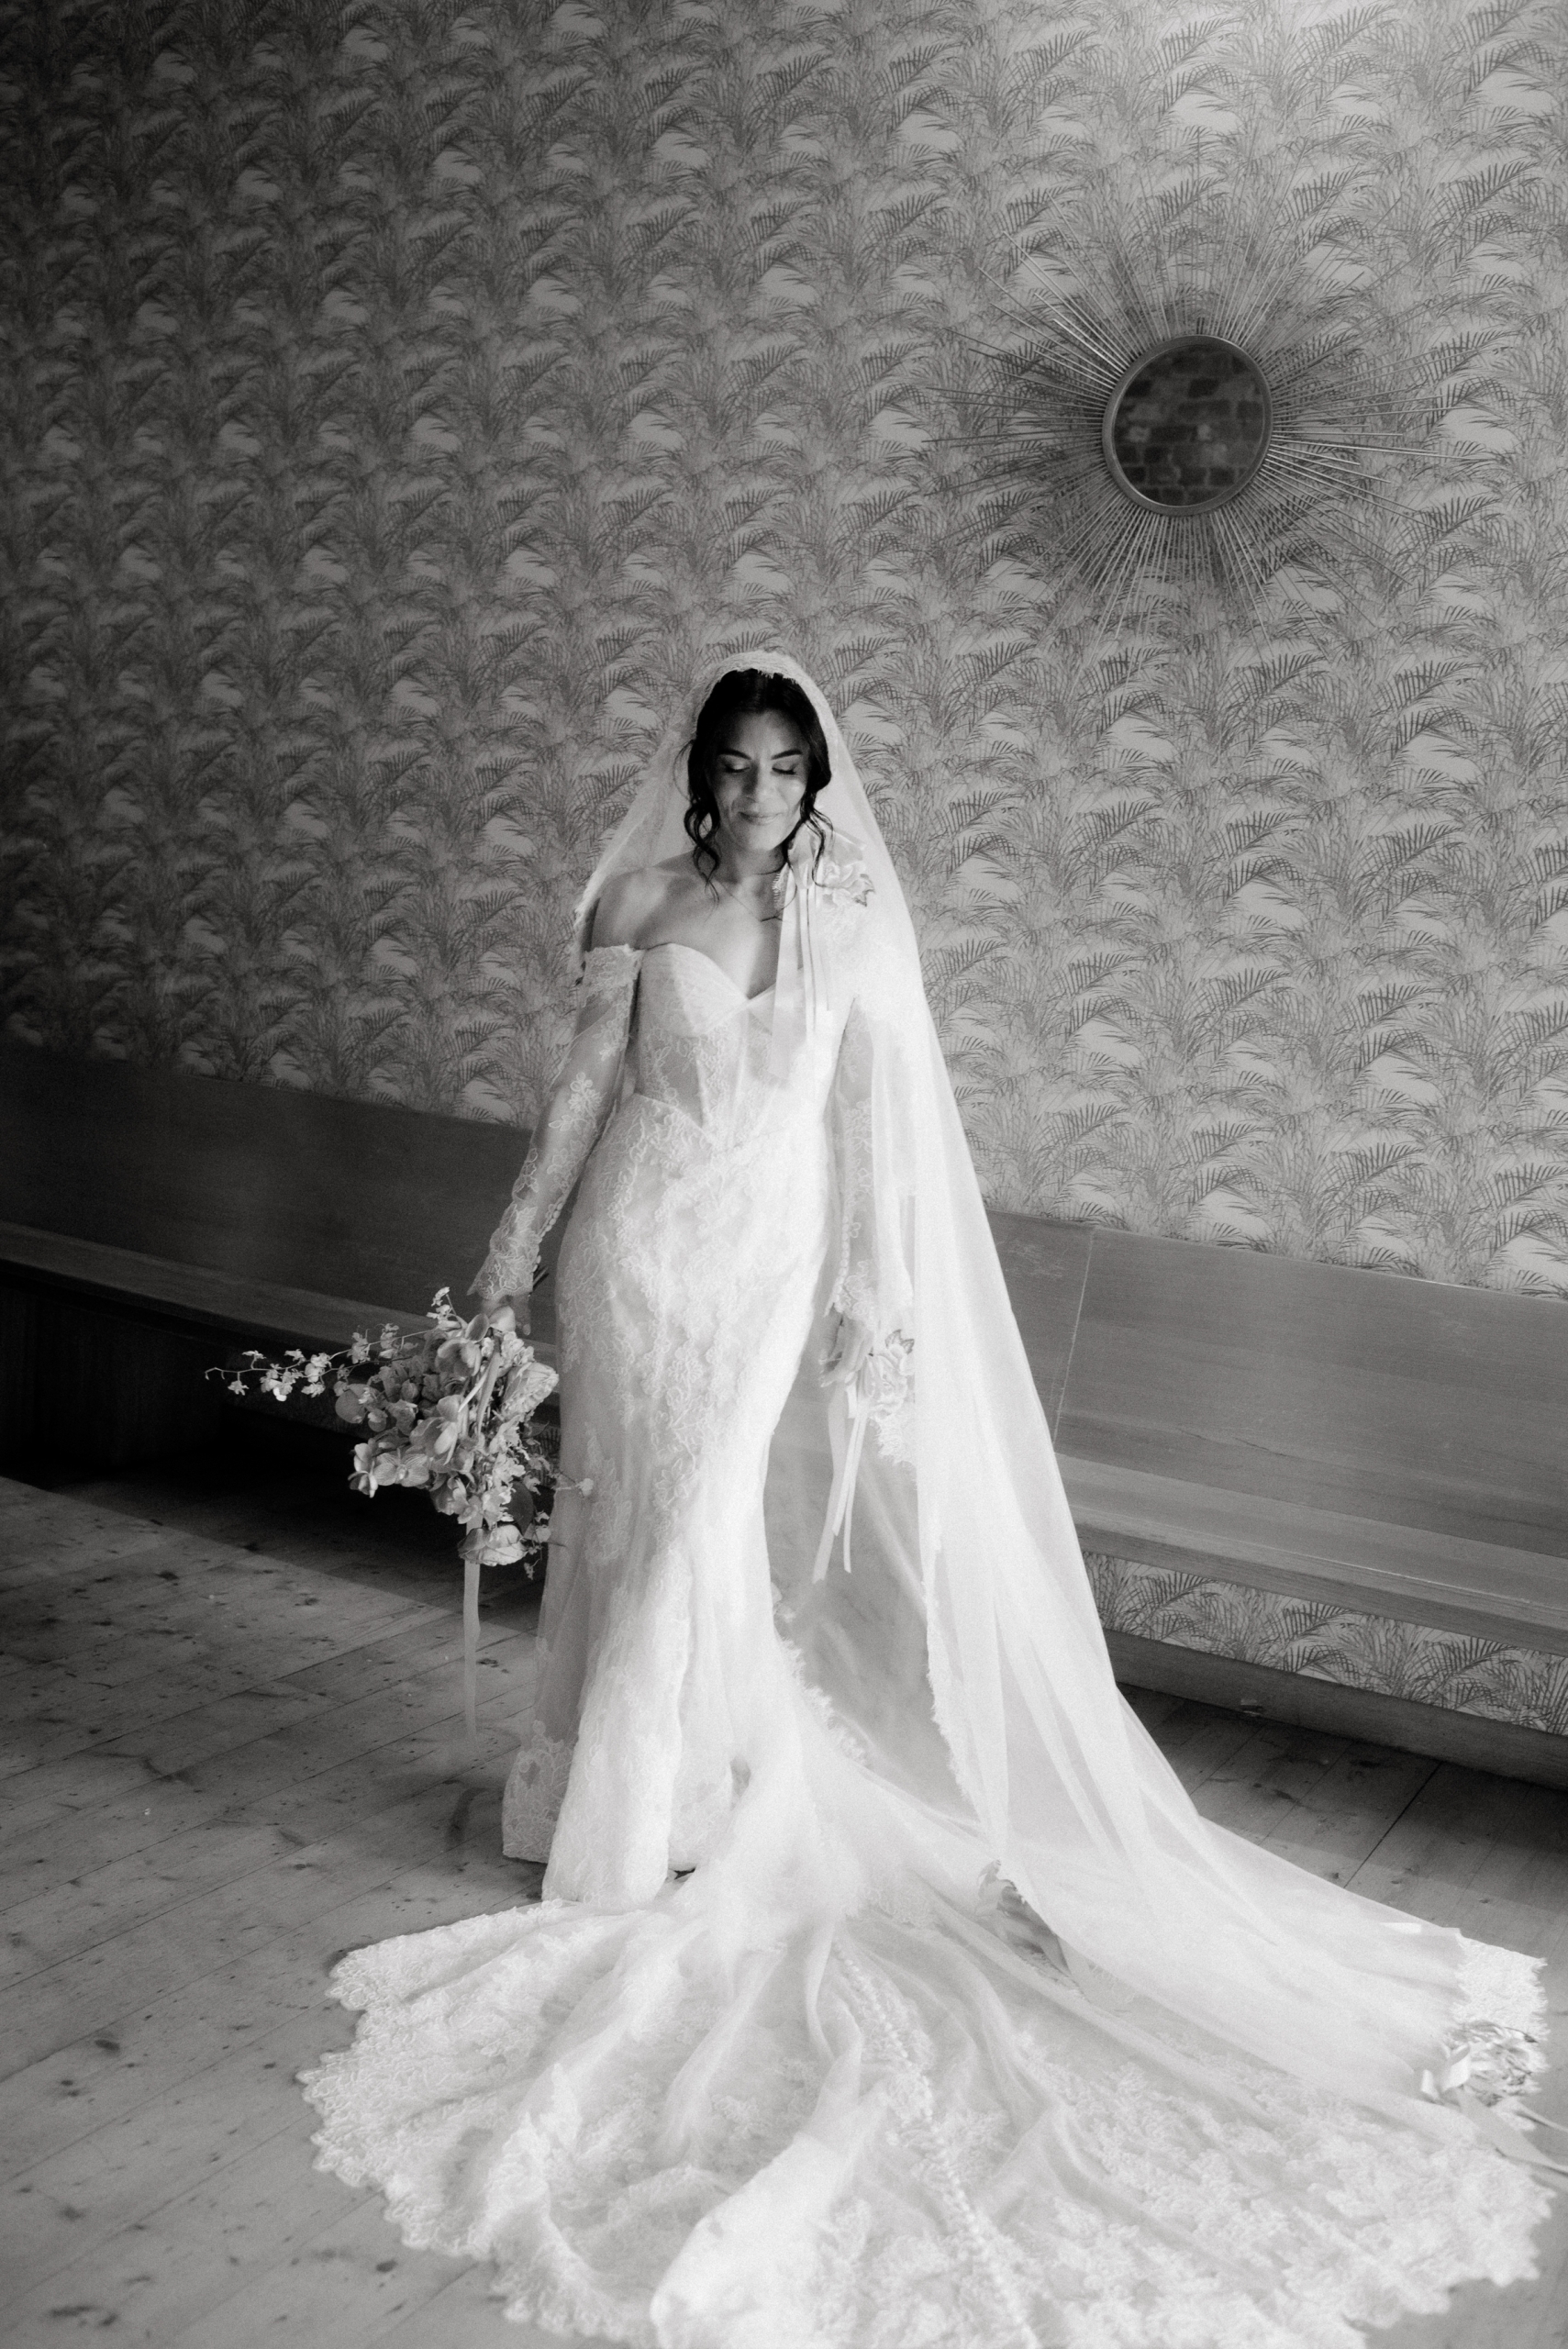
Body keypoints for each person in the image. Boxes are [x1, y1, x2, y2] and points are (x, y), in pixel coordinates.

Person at [304, 657, 1554, 2349]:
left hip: (761, 1271)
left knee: (694, 1532)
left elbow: (881, 1139)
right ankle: (635, 1799)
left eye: (782, 773)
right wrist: (502, 1281)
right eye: (732, 768)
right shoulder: (632, 899)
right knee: (623, 1526)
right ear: (696, 769)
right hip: (636, 1256)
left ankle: (632, 1831)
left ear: (818, 780)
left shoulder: (855, 929)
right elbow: (576, 1110)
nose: (755, 799)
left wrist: (871, 1311)